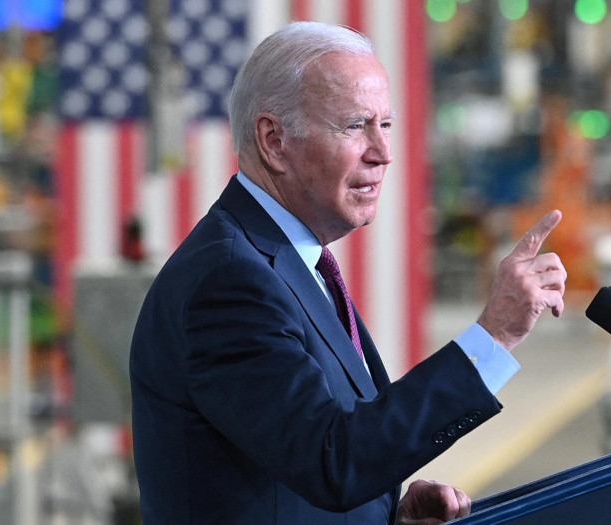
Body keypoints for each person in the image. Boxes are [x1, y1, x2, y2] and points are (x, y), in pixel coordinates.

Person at [129, 21, 567, 524]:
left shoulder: (287, 264)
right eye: (355, 126)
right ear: (274, 141)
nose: (383, 153)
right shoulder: (229, 281)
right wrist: (494, 335)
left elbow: (306, 458)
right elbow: (330, 460)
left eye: (386, 125)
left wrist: (387, 517)